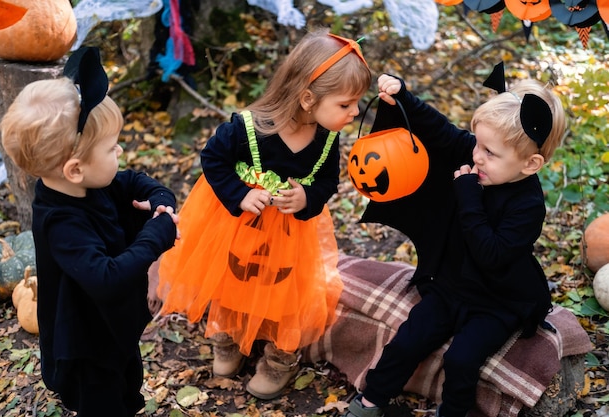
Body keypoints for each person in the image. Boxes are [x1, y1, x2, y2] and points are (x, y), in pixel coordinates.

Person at [156, 29, 372, 399]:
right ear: (308, 98)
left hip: (291, 238)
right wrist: (240, 194)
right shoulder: (246, 129)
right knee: (227, 283)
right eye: (346, 104)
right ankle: (225, 337)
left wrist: (306, 198)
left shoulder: (326, 138)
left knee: (288, 296)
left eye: (356, 104)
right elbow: (212, 160)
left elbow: (325, 185)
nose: (354, 112)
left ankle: (279, 358)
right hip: (235, 228)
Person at [344, 63, 566, 417]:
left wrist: (468, 196)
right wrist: (404, 97)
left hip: (497, 300)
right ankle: (371, 401)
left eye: (490, 153)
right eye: (478, 143)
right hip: (450, 285)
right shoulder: (475, 157)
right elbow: (439, 131)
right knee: (408, 339)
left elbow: (490, 254)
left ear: (530, 164)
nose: (477, 155)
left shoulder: (528, 206)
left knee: (461, 359)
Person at [0, 46, 178, 417]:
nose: (121, 151)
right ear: (75, 169)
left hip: (112, 327)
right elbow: (106, 278)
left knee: (127, 385)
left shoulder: (94, 182)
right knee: (104, 401)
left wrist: (159, 200)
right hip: (85, 344)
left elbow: (136, 183)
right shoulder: (61, 222)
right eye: (112, 147)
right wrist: (157, 235)